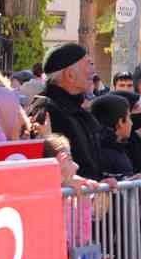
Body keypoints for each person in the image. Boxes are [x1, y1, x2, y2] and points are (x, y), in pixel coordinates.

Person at [42, 44, 104, 180]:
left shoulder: (76, 111)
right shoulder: (48, 111)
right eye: (89, 64)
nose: (93, 71)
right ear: (70, 75)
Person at [89, 93, 141, 177]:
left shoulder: (117, 147)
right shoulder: (106, 154)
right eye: (129, 118)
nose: (131, 123)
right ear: (121, 122)